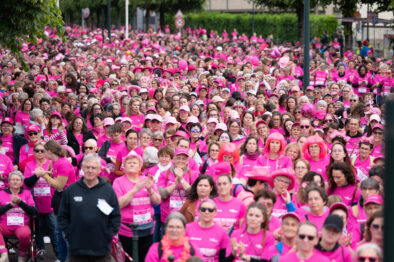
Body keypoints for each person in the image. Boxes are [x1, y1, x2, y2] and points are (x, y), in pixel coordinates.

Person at [58, 154, 121, 262]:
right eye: (87, 167)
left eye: (93, 168)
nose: (90, 170)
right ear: (82, 167)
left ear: (99, 170)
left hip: (101, 249)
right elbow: (62, 216)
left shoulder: (108, 190)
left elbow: (115, 217)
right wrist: (70, 234)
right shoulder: (71, 190)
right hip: (77, 249)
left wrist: (107, 235)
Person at [113, 151, 161, 261]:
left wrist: (150, 190)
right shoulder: (118, 182)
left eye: (135, 162)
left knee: (145, 257)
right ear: (124, 166)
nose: (131, 164)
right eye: (128, 162)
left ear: (140, 166)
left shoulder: (146, 180)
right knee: (129, 259)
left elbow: (157, 201)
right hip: (127, 230)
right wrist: (135, 189)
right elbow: (119, 204)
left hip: (147, 228)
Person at [23, 142, 57, 257]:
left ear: (46, 152)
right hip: (36, 200)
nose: (39, 153)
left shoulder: (52, 163)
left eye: (42, 150)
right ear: (34, 152)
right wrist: (37, 175)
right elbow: (26, 184)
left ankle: (58, 253)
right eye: (37, 150)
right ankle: (41, 249)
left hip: (50, 200)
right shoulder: (29, 165)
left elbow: (58, 181)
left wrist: (48, 175)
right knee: (38, 226)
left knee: (53, 227)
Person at [0, 171, 37, 262]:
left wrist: (20, 203)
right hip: (4, 226)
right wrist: (10, 205)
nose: (15, 182)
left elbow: (33, 211)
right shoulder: (1, 193)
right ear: (8, 182)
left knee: (25, 234)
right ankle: (4, 254)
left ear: (21, 182)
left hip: (21, 226)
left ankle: (21, 256)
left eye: (17, 180)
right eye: (13, 180)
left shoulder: (27, 193)